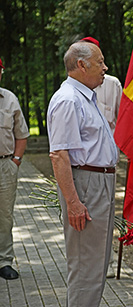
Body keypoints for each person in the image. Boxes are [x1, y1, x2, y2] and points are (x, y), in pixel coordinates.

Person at [47, 41, 118, 306]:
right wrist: (74, 202)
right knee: (85, 267)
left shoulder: (85, 97)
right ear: (81, 65)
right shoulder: (68, 100)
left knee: (96, 264)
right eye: (100, 62)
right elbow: (59, 155)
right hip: (86, 186)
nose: (105, 68)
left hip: (98, 183)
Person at [80, 36, 122, 278]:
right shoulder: (72, 92)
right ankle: (86, 263)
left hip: (108, 164)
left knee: (107, 215)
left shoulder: (112, 84)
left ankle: (106, 260)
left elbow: (123, 118)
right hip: (85, 167)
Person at [0, 58, 29, 280]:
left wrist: (16, 161)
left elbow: (21, 134)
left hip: (5, 165)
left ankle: (4, 261)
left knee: (4, 216)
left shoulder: (10, 99)